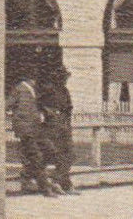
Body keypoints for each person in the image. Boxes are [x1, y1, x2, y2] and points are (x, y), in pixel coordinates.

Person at [7, 75, 57, 196]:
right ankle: (44, 187)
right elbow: (7, 105)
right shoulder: (19, 89)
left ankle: (26, 176)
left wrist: (47, 113)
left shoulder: (32, 91)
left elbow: (37, 107)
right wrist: (17, 119)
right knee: (36, 156)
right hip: (26, 130)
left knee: (50, 150)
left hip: (36, 128)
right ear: (31, 79)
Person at [37, 64, 78, 195]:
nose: (64, 79)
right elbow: (39, 105)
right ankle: (56, 183)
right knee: (53, 154)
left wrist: (66, 122)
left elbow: (69, 108)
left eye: (65, 77)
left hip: (64, 125)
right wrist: (48, 113)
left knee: (69, 154)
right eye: (62, 77)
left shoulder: (65, 91)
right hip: (51, 127)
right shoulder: (47, 90)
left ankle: (60, 182)